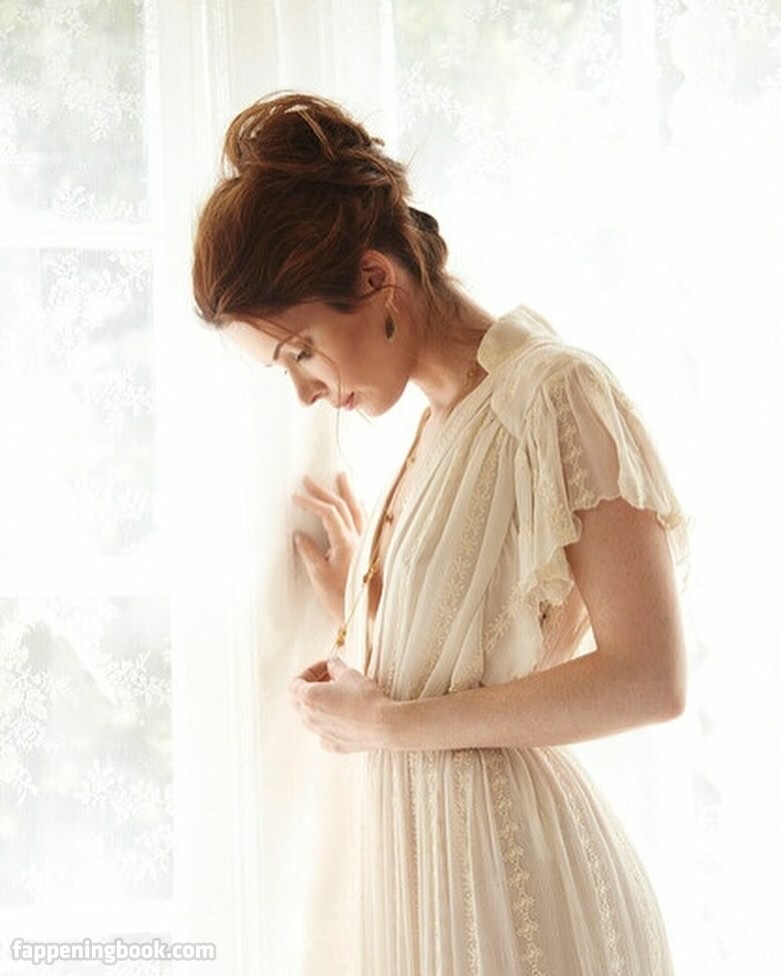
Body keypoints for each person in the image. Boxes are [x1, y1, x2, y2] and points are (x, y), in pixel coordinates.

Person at [192, 92, 691, 975]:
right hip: (435, 902)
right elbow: (477, 649)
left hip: (528, 906)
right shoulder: (437, 427)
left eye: (300, 349)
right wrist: (367, 605)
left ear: (375, 278)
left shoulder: (555, 392)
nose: (304, 391)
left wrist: (386, 725)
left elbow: (648, 678)